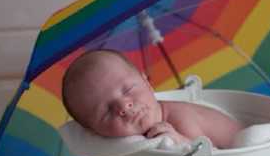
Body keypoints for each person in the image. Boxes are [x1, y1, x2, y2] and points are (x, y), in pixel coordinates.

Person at [61, 49, 242, 149]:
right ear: (94, 132)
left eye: (129, 89)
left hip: (245, 151)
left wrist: (179, 141)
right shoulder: (115, 142)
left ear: (147, 83)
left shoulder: (181, 119)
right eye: (106, 111)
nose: (124, 105)